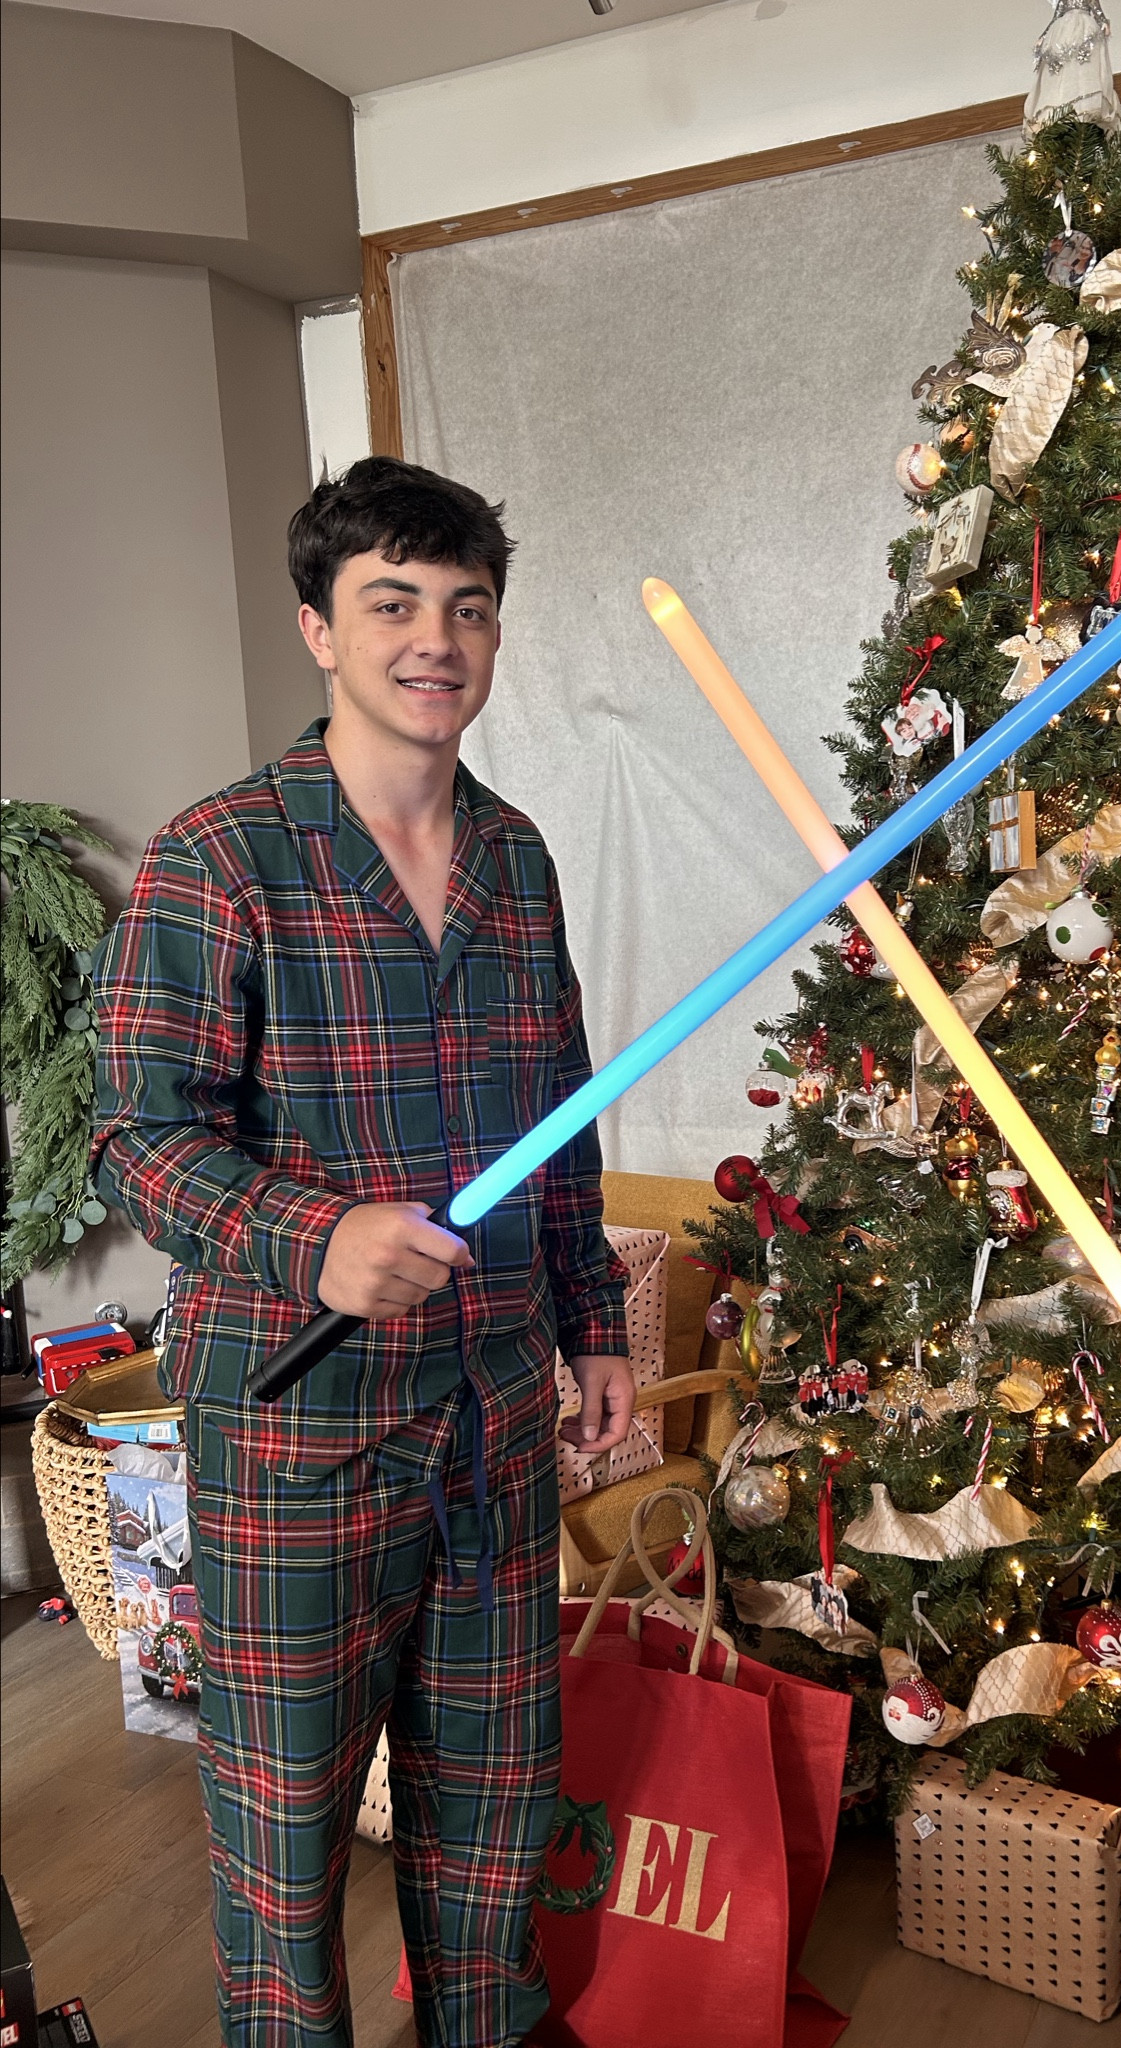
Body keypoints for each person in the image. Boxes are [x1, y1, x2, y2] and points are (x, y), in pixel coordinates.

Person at [92, 456, 635, 2047]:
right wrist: (312, 1237)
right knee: (288, 1846)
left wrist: (595, 1324)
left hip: (489, 1421)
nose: (437, 641)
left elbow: (565, 1119)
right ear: (319, 629)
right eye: (392, 604)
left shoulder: (519, 859)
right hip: (298, 1433)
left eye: (468, 608)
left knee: (492, 1818)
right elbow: (139, 1128)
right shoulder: (223, 857)